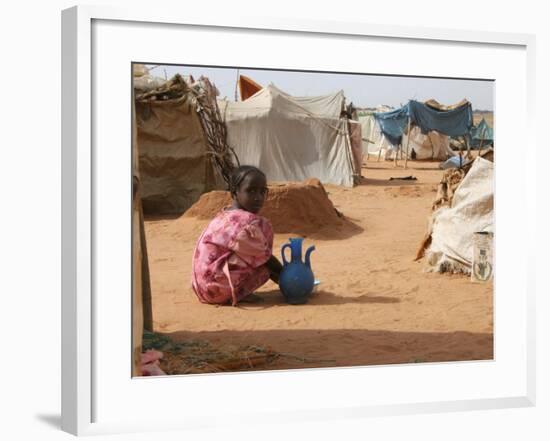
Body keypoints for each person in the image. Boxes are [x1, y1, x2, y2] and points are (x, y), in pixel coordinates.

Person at [191, 165, 283, 306]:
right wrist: (287, 276)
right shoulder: (246, 222)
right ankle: (238, 292)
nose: (258, 197)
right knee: (265, 268)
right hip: (216, 290)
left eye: (262, 191)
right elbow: (265, 258)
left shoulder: (224, 215)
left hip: (201, 288)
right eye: (250, 191)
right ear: (234, 193)